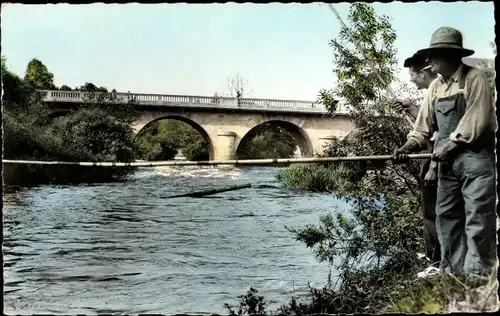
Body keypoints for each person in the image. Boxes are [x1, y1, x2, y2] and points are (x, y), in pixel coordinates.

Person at [393, 27, 497, 285]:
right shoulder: (435, 88)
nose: (429, 62)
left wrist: (449, 146)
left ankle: (478, 278)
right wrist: (408, 148)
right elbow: (422, 128)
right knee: (447, 218)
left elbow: (476, 120)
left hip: (476, 163)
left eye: (434, 56)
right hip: (447, 167)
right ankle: (453, 276)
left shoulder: (475, 79)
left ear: (450, 55)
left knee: (477, 220)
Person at [396, 52, 441, 268]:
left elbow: (437, 133)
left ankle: (437, 259)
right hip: (432, 155)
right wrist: (413, 111)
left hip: (439, 158)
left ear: (423, 73)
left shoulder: (443, 90)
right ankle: (433, 254)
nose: (411, 80)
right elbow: (426, 127)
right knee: (430, 209)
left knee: (434, 210)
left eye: (412, 74)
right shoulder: (432, 93)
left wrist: (433, 166)